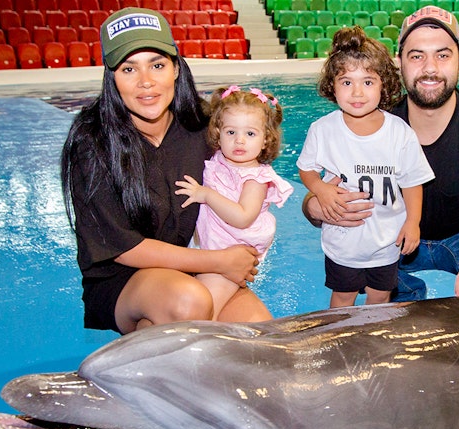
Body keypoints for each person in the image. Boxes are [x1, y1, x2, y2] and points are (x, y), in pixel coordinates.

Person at [61, 8, 260, 334]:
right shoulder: (93, 141)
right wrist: (220, 262)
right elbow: (124, 248)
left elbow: (251, 172)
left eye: (157, 65)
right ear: (112, 78)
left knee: (258, 334)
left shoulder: (203, 127)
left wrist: (317, 199)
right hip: (122, 278)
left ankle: (146, 340)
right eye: (129, 69)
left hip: (189, 265)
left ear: (176, 69)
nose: (146, 82)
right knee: (187, 301)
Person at [303, 6, 459, 302]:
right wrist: (320, 208)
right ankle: (405, 291)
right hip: (391, 241)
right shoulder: (368, 119)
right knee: (364, 288)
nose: (430, 68)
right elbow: (319, 188)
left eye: (442, 55)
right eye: (417, 56)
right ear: (399, 63)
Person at [297, 27, 435, 308]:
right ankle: (336, 337)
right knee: (343, 296)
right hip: (343, 242)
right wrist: (320, 189)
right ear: (331, 85)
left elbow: (412, 181)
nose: (357, 92)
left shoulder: (399, 132)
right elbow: (306, 169)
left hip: (385, 242)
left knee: (380, 295)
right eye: (346, 82)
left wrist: (412, 222)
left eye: (368, 82)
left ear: (383, 84)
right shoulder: (323, 130)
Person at [175, 85, 293, 322]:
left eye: (250, 134)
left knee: (203, 315)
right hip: (211, 250)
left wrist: (206, 195)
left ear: (265, 139)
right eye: (231, 132)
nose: (239, 141)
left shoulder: (255, 179)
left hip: (231, 253)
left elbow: (242, 217)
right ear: (218, 133)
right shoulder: (219, 159)